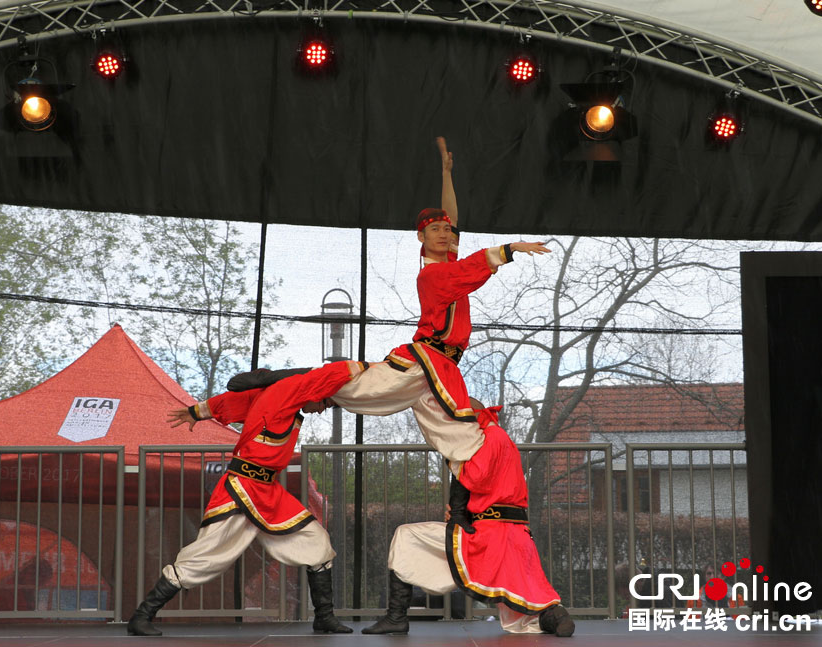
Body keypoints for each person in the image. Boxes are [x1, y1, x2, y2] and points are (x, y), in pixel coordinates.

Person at [332, 136, 551, 464]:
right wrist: (511, 249)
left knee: (462, 438)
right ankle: (296, 386)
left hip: (443, 365)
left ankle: (470, 493)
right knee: (357, 390)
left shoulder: (447, 262)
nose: (445, 233)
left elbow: (452, 217)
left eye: (446, 230)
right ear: (421, 237)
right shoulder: (432, 276)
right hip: (425, 362)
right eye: (435, 229)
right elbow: (469, 270)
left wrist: (447, 174)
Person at [127, 360, 368, 637]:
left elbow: (235, 400)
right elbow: (315, 378)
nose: (324, 408)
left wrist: (198, 411)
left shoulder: (281, 403)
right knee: (206, 556)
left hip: (268, 491)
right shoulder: (283, 394)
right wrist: (362, 366)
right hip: (241, 488)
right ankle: (142, 615)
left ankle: (324, 617)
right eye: (326, 402)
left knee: (317, 542)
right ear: (315, 391)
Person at [361, 400, 574, 637]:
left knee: (406, 535)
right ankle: (553, 616)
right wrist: (464, 513)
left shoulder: (489, 438)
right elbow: (493, 491)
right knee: (519, 616)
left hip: (490, 535)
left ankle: (396, 617)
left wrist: (456, 462)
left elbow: (477, 477)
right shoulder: (499, 438)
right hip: (513, 535)